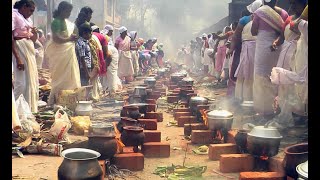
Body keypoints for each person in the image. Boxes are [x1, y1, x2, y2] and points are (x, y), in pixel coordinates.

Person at [269, 2, 308, 128]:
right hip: (285, 51)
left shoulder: (303, 21)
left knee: (295, 82)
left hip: (297, 52)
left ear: (303, 6)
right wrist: (275, 43)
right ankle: (283, 108)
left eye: (295, 4)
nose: (292, 7)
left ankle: (297, 111)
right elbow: (281, 37)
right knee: (283, 80)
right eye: (291, 4)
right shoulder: (289, 19)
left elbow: (297, 30)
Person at [251, 0, 288, 120]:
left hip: (263, 48)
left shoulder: (260, 12)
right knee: (277, 76)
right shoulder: (284, 13)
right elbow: (284, 33)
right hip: (278, 46)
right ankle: (278, 107)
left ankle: (264, 110)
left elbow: (253, 31)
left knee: (262, 77)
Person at [45, 1, 80, 106]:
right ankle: (55, 101)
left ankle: (69, 102)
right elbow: (56, 38)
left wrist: (72, 38)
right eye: (68, 11)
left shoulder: (68, 23)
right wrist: (69, 38)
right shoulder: (56, 22)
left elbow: (70, 36)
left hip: (68, 52)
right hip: (60, 54)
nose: (69, 14)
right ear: (62, 10)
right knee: (60, 79)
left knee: (69, 77)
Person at [228, 0, 263, 103]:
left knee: (257, 73)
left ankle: (257, 99)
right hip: (246, 49)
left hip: (259, 48)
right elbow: (236, 35)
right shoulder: (244, 20)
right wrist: (231, 48)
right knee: (245, 72)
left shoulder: (264, 19)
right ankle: (243, 98)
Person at [12, 0, 39, 113]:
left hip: (29, 50)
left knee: (30, 82)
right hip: (19, 49)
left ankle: (26, 111)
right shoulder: (14, 15)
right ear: (24, 7)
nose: (31, 13)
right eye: (31, 10)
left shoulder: (28, 19)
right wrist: (18, 58)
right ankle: (15, 112)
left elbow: (33, 39)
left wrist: (35, 33)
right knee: (21, 83)